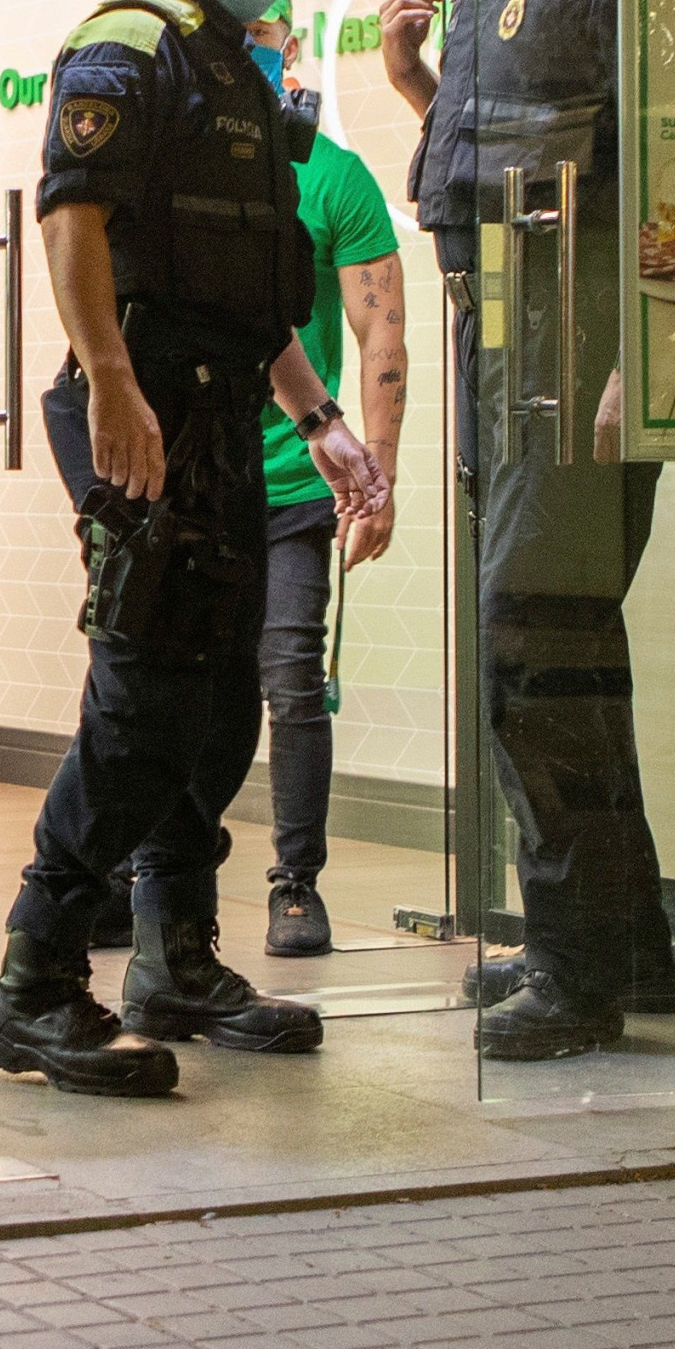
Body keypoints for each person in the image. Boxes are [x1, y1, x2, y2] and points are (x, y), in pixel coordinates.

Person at [0, 0, 388, 1100]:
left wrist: (322, 421)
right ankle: (35, 979)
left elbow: (247, 291)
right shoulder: (132, 42)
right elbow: (70, 218)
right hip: (139, 402)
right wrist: (109, 377)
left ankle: (174, 959)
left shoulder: (236, 67)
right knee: (145, 692)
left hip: (220, 412)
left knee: (216, 702)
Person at [378, 0, 675, 1062]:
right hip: (507, 336)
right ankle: (626, 949)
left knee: (533, 644)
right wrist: (413, 82)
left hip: (576, 346)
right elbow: (509, 161)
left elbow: (670, 159)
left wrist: (638, 360)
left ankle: (574, 968)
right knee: (564, 645)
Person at [251, 60, 407, 959]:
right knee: (173, 682)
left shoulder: (335, 177)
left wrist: (377, 474)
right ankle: (146, 880)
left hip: (296, 484)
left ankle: (295, 885)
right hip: (188, 476)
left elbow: (381, 329)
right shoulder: (176, 161)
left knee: (293, 681)